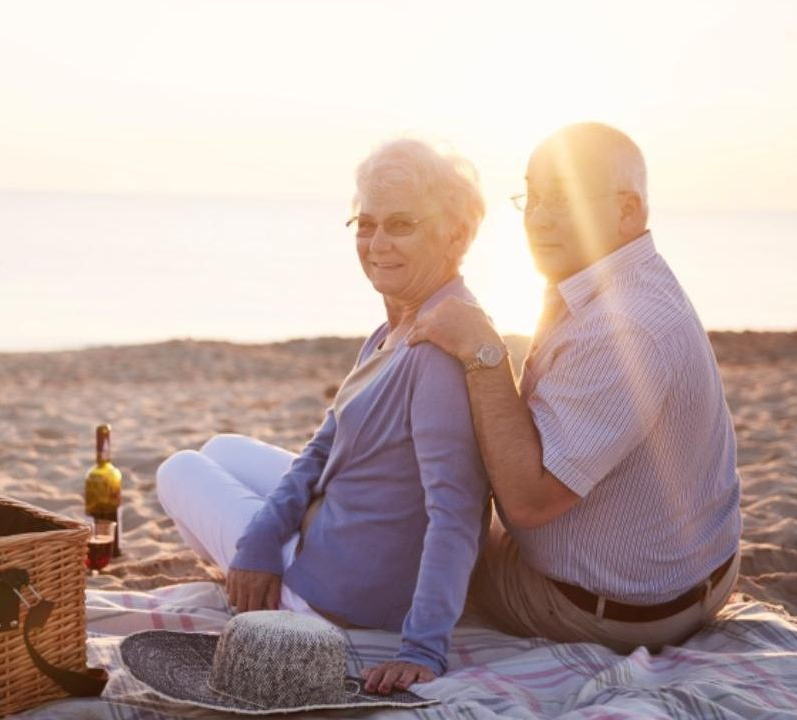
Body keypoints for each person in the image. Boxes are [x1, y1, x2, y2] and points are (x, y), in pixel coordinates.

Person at [156, 138, 491, 695]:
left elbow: (454, 510)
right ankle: (260, 562)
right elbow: (321, 449)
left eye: (401, 224)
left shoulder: (437, 350)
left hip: (339, 595)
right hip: (343, 529)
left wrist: (423, 648)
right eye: (366, 223)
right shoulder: (394, 329)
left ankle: (271, 596)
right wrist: (261, 540)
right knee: (221, 449)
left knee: (177, 468)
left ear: (454, 234)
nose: (377, 243)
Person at [407, 122, 742, 653]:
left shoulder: (624, 327)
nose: (538, 218)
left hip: (614, 609)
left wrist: (485, 353)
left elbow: (529, 502)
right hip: (687, 575)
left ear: (628, 211)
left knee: (397, 541)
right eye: (532, 198)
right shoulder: (619, 277)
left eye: (562, 199)